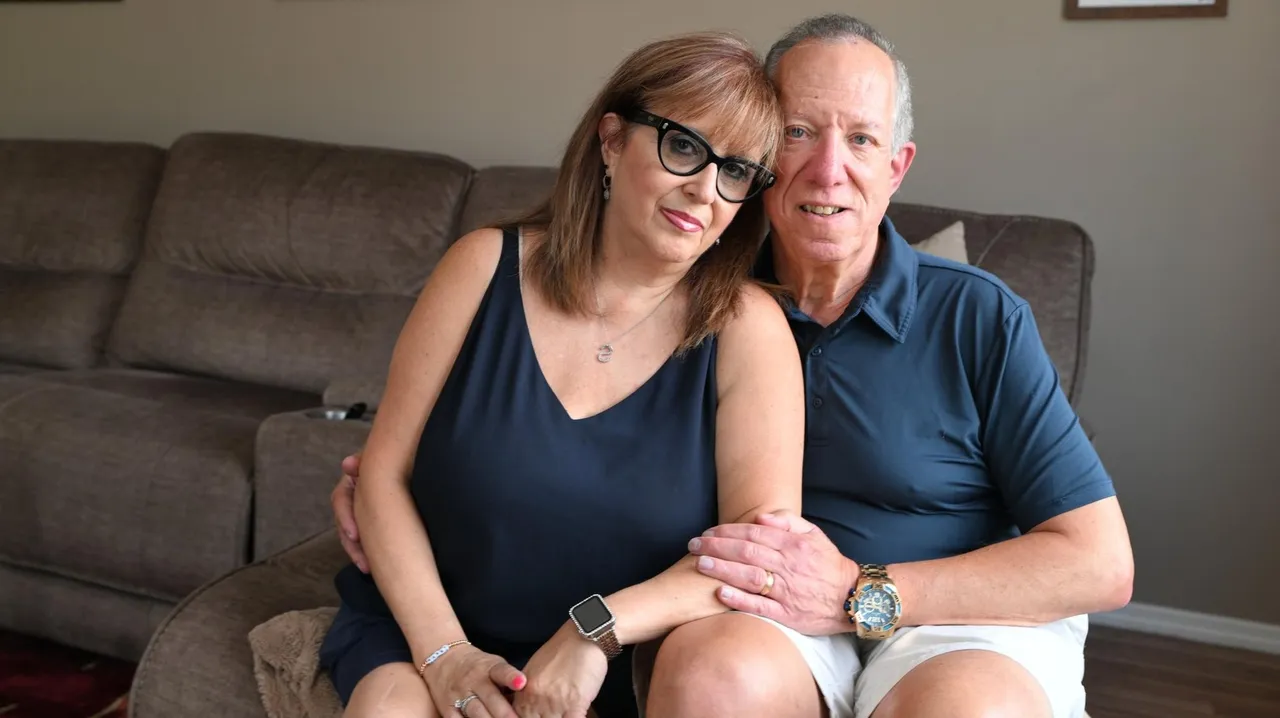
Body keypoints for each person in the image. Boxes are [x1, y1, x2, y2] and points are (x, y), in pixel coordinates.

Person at [333, 13, 1135, 718]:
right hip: (765, 617)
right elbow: (446, 449)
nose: (828, 169)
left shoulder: (974, 314)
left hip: (931, 613)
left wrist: (861, 594)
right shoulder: (702, 283)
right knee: (714, 677)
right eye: (797, 134)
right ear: (764, 159)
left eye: (860, 138)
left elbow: (1099, 562)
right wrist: (395, 487)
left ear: (897, 166)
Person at [317, 31, 806, 718]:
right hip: (427, 633)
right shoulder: (482, 266)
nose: (704, 190)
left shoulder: (748, 329)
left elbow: (755, 556)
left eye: (736, 171)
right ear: (612, 139)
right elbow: (383, 476)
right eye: (685, 146)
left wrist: (594, 630)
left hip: (614, 663)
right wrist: (444, 655)